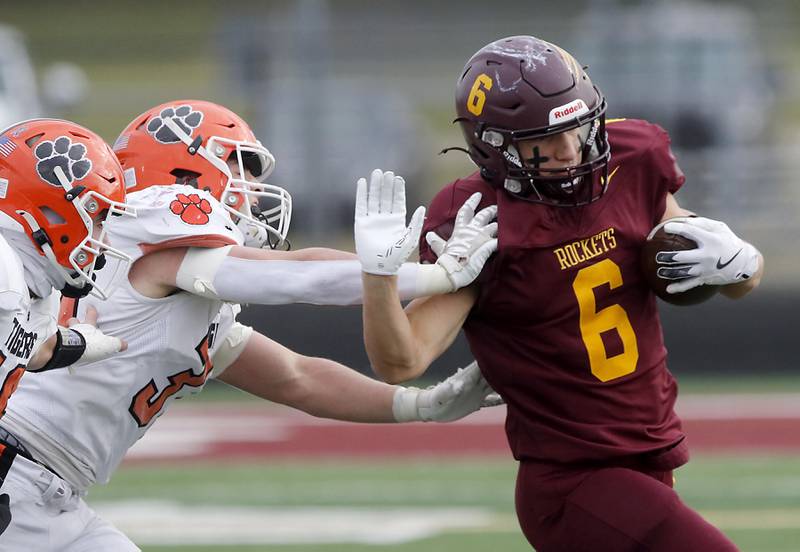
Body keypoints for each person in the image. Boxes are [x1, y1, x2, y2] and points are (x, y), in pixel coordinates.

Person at [0, 101, 499, 550]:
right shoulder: (158, 223)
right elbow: (296, 277)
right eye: (240, 167)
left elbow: (295, 377)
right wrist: (433, 274)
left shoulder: (170, 286)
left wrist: (420, 404)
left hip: (46, 491)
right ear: (185, 169)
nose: (254, 192)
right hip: (17, 476)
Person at [356, 36, 764, 552]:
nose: (571, 150)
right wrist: (379, 274)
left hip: (649, 455)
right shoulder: (481, 219)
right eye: (544, 142)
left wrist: (743, 262)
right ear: (495, 146)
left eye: (577, 128)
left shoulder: (631, 161)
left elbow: (713, 266)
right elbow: (401, 359)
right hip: (573, 479)